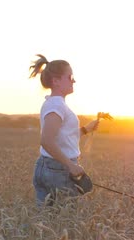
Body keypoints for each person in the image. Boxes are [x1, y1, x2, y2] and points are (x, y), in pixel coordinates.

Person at [29, 54, 100, 206]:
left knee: (44, 221)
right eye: (69, 76)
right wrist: (71, 165)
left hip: (48, 166)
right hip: (58, 171)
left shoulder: (52, 103)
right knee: (65, 222)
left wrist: (86, 129)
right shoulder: (57, 105)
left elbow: (63, 138)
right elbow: (46, 141)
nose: (73, 80)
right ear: (56, 81)